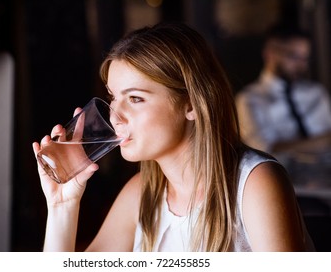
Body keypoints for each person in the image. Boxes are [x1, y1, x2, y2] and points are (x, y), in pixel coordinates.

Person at [32, 22, 314, 251]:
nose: (114, 116)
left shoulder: (255, 183)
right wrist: (62, 206)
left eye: (135, 98)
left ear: (191, 104)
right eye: (113, 97)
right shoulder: (141, 192)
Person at [236, 24, 331, 154]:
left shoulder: (316, 92)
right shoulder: (249, 99)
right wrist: (323, 141)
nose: (302, 65)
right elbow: (263, 150)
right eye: (294, 56)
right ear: (269, 54)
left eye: (305, 58)